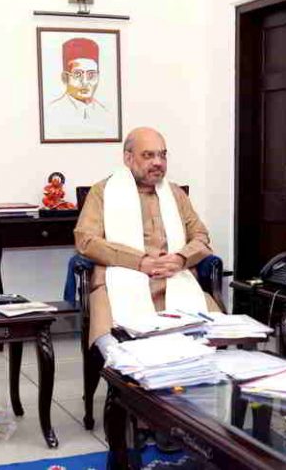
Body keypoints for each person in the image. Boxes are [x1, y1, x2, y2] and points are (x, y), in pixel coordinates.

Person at [74, 127, 220, 356]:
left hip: (174, 278)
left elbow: (201, 237)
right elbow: (86, 240)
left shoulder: (175, 194)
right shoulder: (103, 191)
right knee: (117, 347)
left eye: (162, 155)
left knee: (216, 332)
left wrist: (181, 259)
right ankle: (124, 377)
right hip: (119, 278)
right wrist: (139, 261)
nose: (158, 162)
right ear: (128, 158)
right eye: (148, 155)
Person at [44, 37, 117, 139]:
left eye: (91, 75)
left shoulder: (107, 114)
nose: (85, 82)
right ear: (65, 78)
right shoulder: (51, 113)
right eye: (78, 75)